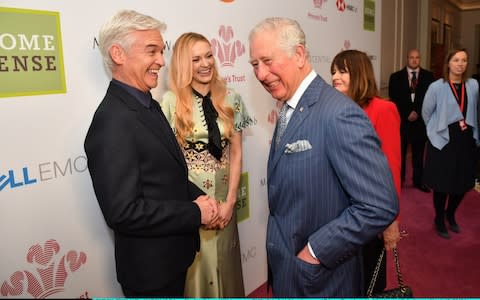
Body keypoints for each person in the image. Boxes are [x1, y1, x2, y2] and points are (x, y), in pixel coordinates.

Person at [248, 17, 399, 297]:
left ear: (300, 55)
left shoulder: (339, 113)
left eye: (268, 61)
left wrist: (315, 251)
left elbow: (379, 205)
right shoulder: (289, 107)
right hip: (288, 269)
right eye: (254, 64)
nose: (260, 74)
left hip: (322, 279)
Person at [84, 10, 219, 297]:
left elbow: (165, 174)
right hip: (151, 274)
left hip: (172, 259)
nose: (161, 60)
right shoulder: (112, 122)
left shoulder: (146, 103)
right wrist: (195, 212)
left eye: (161, 51)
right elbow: (124, 211)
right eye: (151, 51)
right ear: (118, 54)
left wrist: (198, 196)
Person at [161, 32, 252, 297]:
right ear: (182, 64)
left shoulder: (232, 98)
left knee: (226, 267)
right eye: (196, 59)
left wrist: (231, 202)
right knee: (197, 272)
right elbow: (171, 165)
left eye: (209, 56)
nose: (205, 63)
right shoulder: (169, 102)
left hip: (226, 202)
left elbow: (236, 153)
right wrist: (195, 207)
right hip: (192, 204)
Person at [331, 49, 401, 294]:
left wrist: (391, 220)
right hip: (339, 212)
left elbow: (391, 167)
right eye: (333, 72)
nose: (335, 77)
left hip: (371, 211)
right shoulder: (334, 110)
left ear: (359, 73)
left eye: (342, 71)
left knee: (370, 279)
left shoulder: (383, 109)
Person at [422, 48, 479, 239]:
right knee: (442, 183)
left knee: (462, 183)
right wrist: (434, 134)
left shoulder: (473, 85)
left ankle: (451, 213)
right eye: (456, 60)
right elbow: (426, 113)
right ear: (448, 63)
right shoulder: (436, 87)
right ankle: (439, 218)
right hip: (444, 140)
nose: (460, 64)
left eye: (464, 60)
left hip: (466, 140)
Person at [388, 49, 435, 192]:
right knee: (400, 154)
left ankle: (418, 181)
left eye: (417, 58)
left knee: (419, 154)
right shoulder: (395, 77)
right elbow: (394, 98)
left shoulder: (429, 76)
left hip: (421, 122)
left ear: (420, 59)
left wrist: (418, 112)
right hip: (402, 122)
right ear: (407, 59)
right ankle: (399, 180)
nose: (414, 60)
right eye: (411, 57)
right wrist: (407, 113)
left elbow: (431, 98)